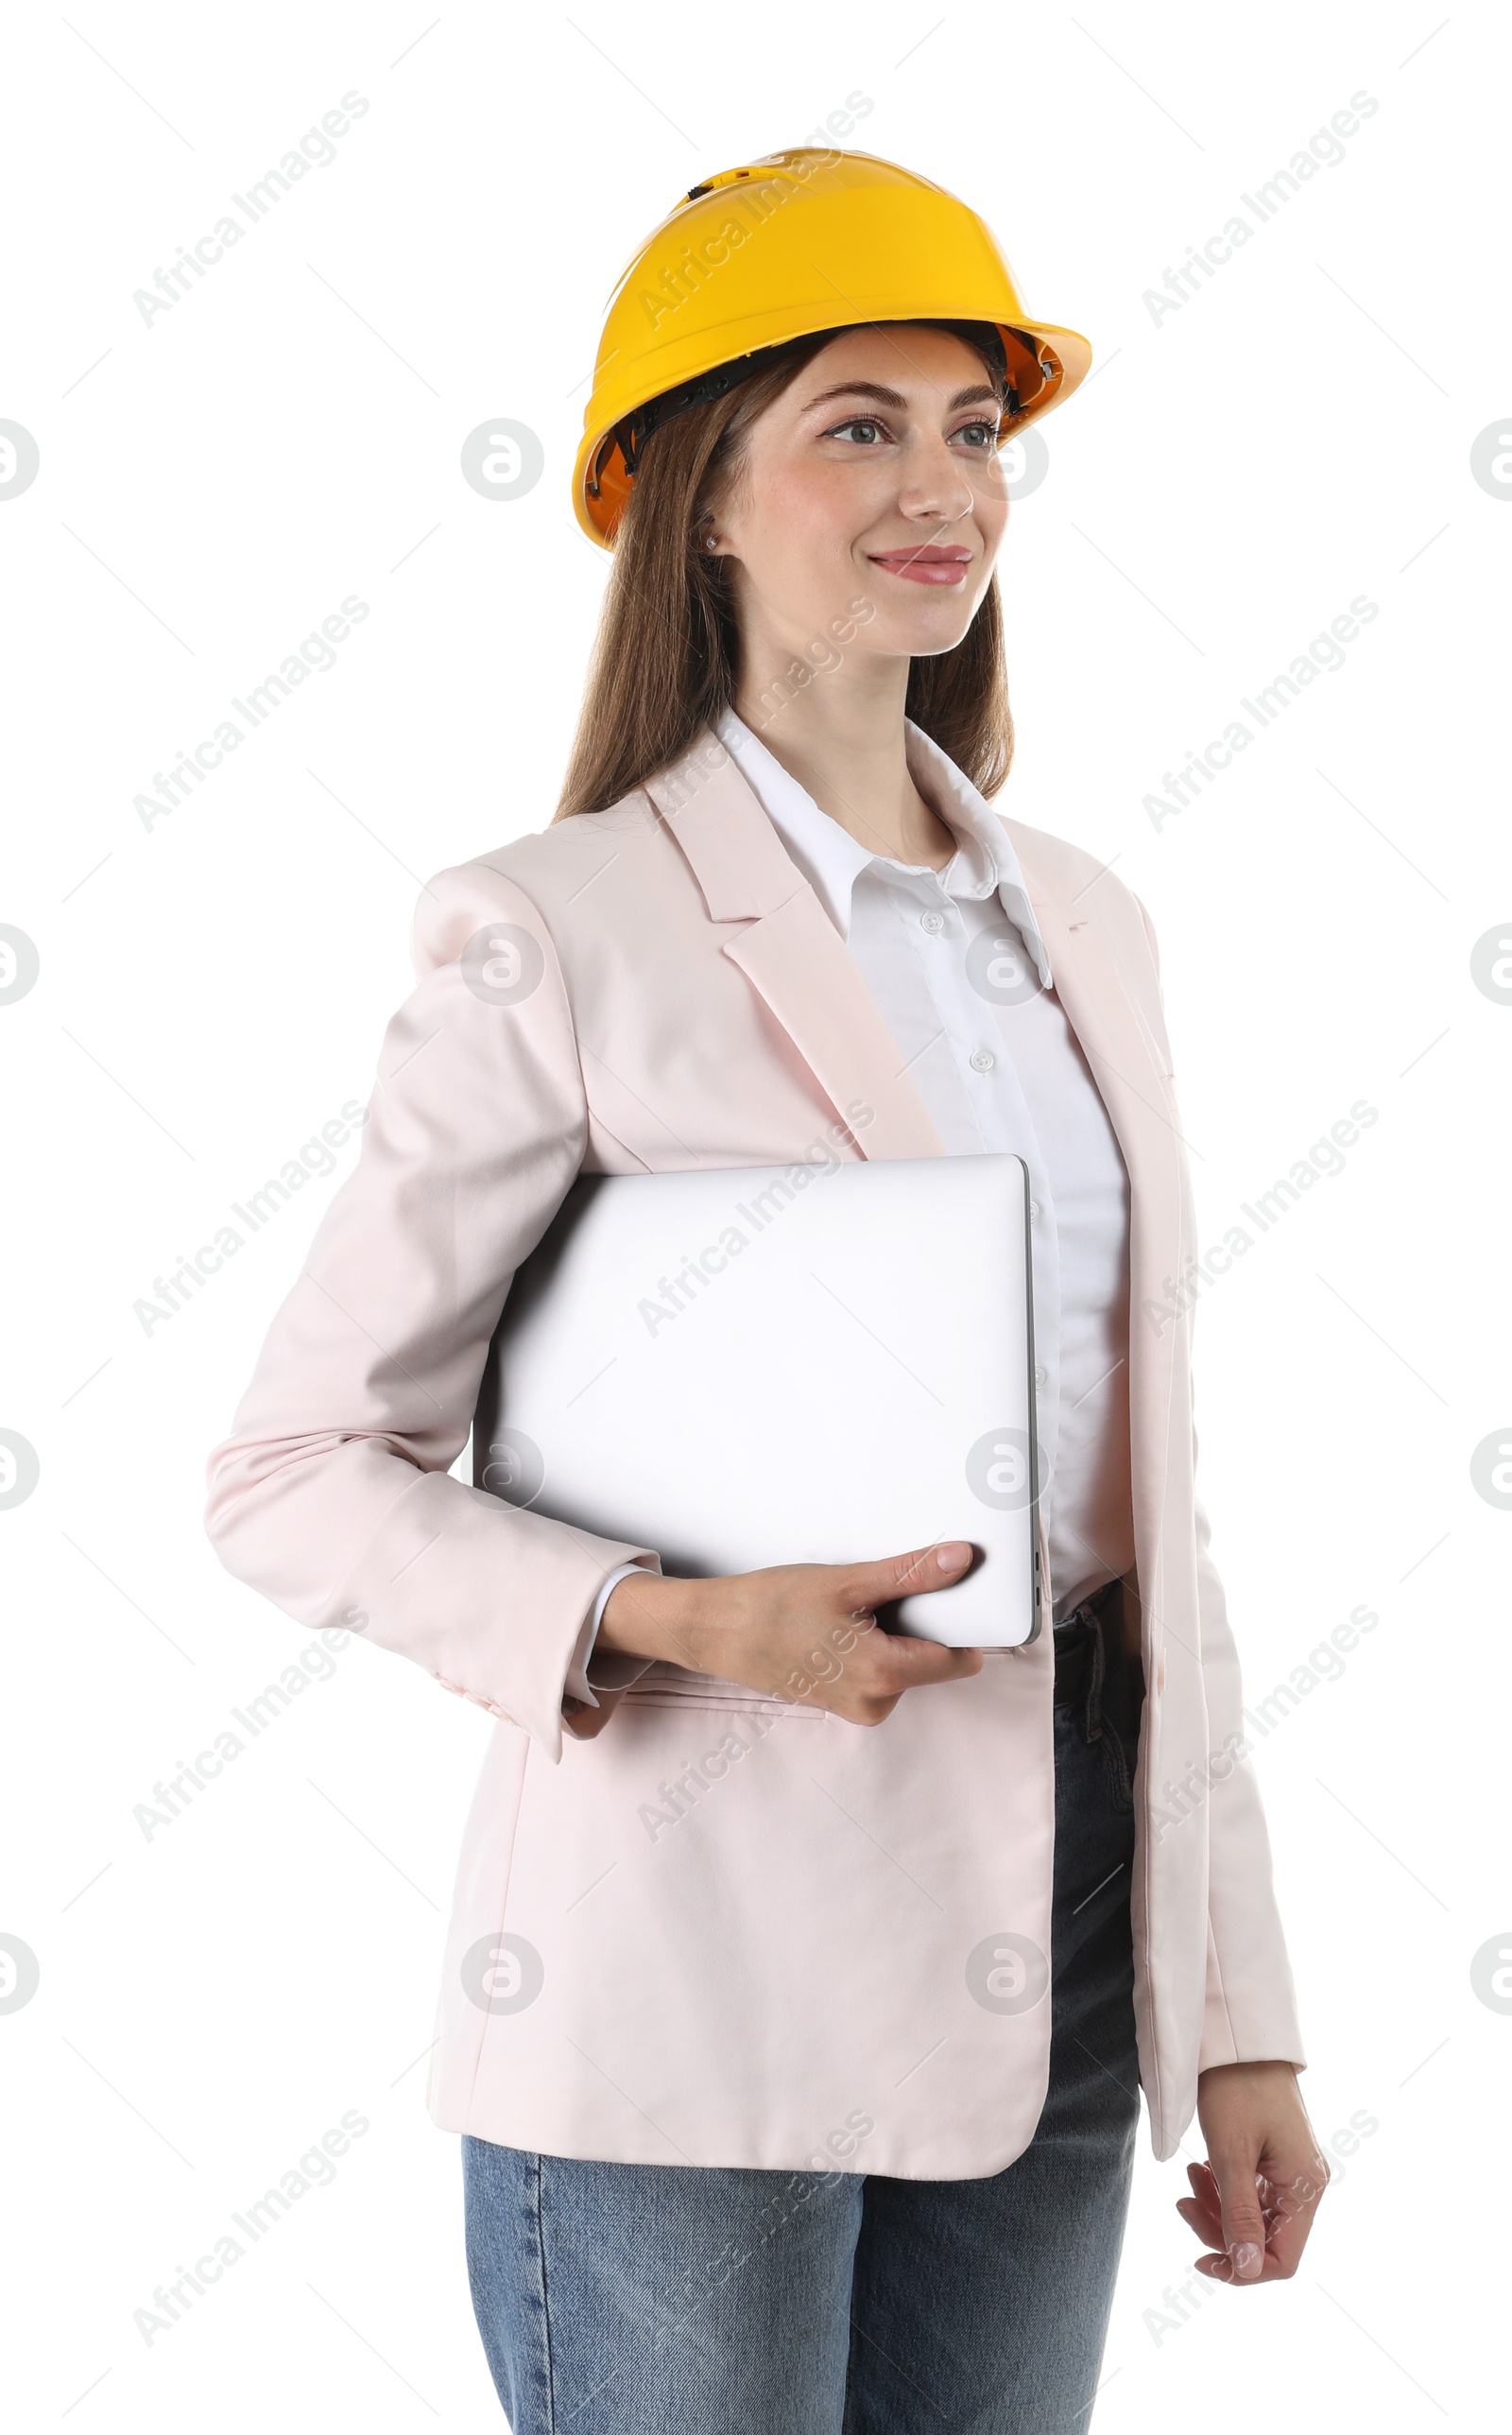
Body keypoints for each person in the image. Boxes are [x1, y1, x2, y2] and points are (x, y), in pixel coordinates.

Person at [205, 147, 1329, 2432]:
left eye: (971, 428)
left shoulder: (1083, 924)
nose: (940, 488)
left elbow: (1149, 1521)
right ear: (700, 495)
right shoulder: (560, 927)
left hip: (1070, 1931)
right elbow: (294, 1472)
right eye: (857, 423)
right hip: (686, 1973)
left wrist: (1239, 2012)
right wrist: (676, 1617)